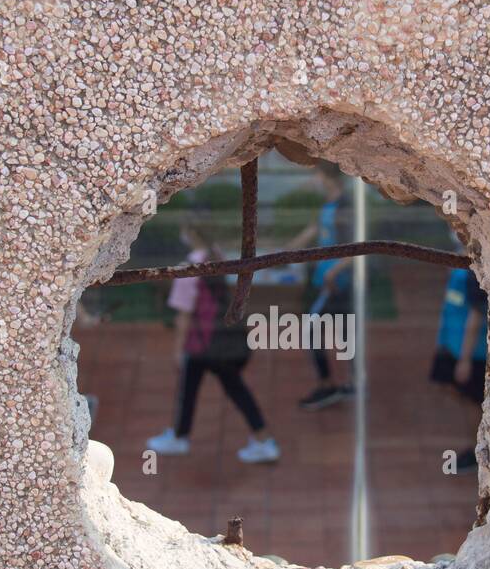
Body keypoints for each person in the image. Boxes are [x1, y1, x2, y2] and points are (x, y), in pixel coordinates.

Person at [146, 218, 280, 464]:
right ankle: (261, 439)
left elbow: (183, 315)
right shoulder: (217, 257)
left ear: (190, 233)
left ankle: (181, 437)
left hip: (203, 344)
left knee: (196, 389)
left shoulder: (189, 268)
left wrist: (178, 351)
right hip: (226, 339)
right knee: (224, 388)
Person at [286, 160, 356, 410]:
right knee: (344, 332)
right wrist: (285, 252)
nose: (314, 180)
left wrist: (334, 273)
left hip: (337, 282)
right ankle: (352, 384)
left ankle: (328, 385)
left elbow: (355, 248)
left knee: (311, 329)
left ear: (326, 176)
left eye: (316, 174)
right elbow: (313, 229)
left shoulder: (346, 206)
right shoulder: (329, 203)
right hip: (327, 279)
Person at [430, 265, 488, 471]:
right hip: (452, 345)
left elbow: (475, 316)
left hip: (472, 352)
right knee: (448, 386)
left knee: (473, 402)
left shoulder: (473, 273)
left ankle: (478, 449)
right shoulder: (458, 269)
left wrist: (465, 359)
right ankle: (478, 443)